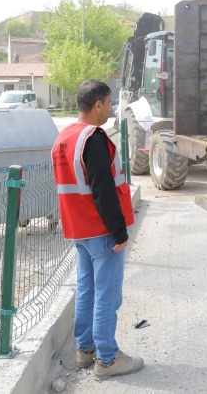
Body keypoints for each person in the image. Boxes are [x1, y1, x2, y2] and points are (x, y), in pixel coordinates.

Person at [52, 79, 142, 380]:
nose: (111, 108)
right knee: (107, 295)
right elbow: (103, 189)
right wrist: (120, 232)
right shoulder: (93, 138)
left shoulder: (64, 137)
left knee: (87, 289)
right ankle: (108, 359)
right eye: (109, 102)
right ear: (98, 104)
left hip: (78, 230)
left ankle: (85, 349)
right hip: (101, 230)